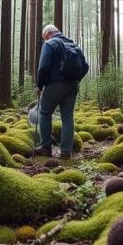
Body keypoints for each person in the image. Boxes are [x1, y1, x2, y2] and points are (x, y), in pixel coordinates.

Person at [34, 24, 89, 159]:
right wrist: (76, 80)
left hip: (55, 85)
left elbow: (43, 67)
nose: (44, 40)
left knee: (45, 112)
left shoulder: (50, 44)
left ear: (48, 33)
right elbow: (86, 66)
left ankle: (46, 147)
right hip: (72, 86)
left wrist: (39, 85)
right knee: (68, 117)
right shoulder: (73, 45)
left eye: (44, 37)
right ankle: (66, 152)